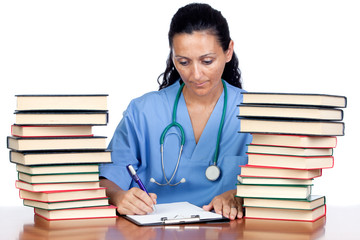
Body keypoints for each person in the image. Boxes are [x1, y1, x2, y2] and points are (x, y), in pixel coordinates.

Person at [99, 3, 252, 220]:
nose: (196, 74)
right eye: (184, 62)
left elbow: (277, 183)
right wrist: (119, 196)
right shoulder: (143, 112)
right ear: (173, 57)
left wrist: (241, 195)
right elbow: (107, 179)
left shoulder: (254, 113)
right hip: (150, 231)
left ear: (228, 51)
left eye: (207, 61)